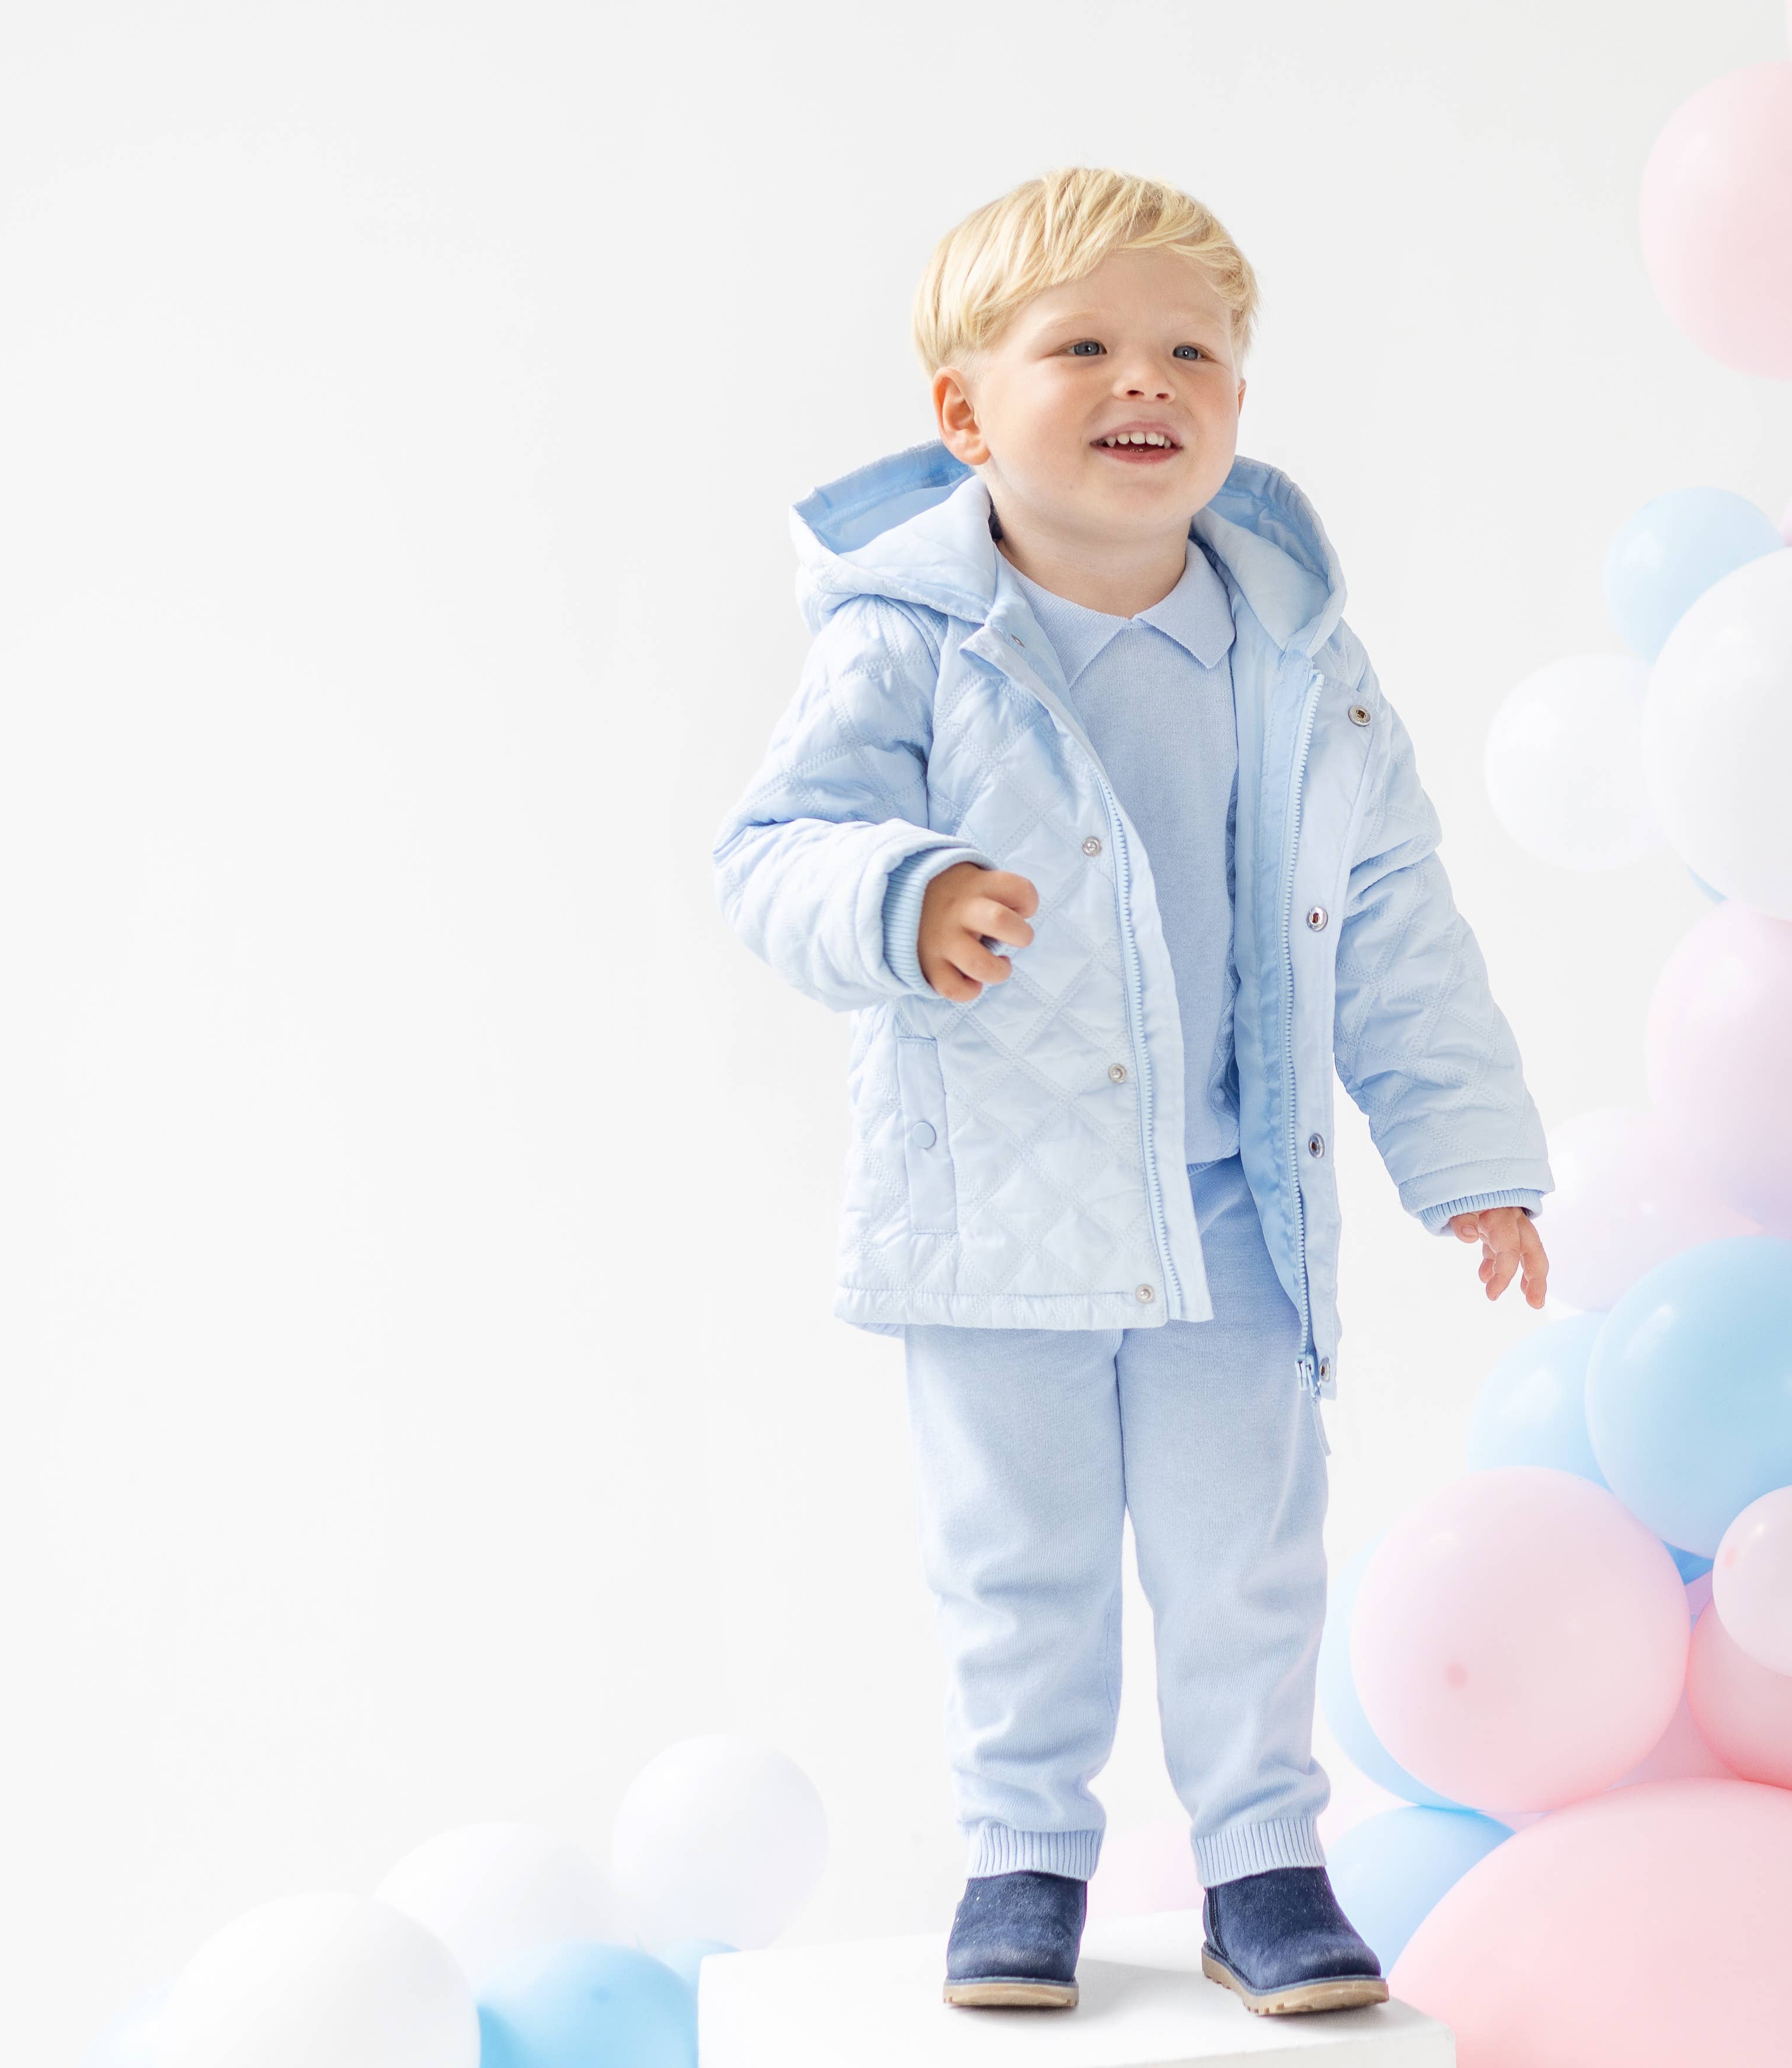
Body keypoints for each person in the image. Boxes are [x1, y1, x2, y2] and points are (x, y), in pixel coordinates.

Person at [714, 166, 1552, 2017]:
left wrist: (1471, 1157)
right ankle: (1022, 1856)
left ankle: (1264, 1864)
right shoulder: (905, 641)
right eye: (1080, 347)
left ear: (1237, 400)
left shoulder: (1300, 660)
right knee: (1018, 1565)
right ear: (964, 413)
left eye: (1190, 351)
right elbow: (772, 853)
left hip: (1235, 1204)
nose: (1144, 380)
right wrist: (903, 895)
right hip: (997, 1206)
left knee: (1247, 1558)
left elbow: (1394, 919)